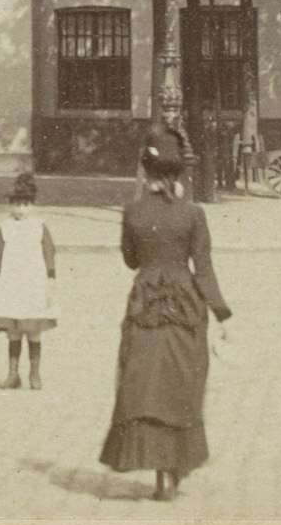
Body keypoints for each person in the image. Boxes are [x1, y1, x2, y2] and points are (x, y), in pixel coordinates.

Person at [99, 126, 231, 502]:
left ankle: (158, 475)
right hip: (185, 306)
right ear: (180, 173)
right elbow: (203, 268)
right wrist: (223, 314)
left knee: (144, 383)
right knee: (182, 383)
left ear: (145, 169)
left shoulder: (133, 212)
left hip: (145, 303)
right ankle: (174, 468)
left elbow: (131, 260)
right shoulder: (193, 214)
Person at [0, 173, 56, 390]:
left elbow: (49, 251)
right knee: (14, 329)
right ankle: (13, 373)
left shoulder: (39, 225)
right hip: (11, 283)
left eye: (25, 205)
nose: (20, 209)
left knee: (33, 329)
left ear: (32, 205)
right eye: (16, 205)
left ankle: (34, 374)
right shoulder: (5, 226)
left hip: (33, 282)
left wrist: (51, 276)